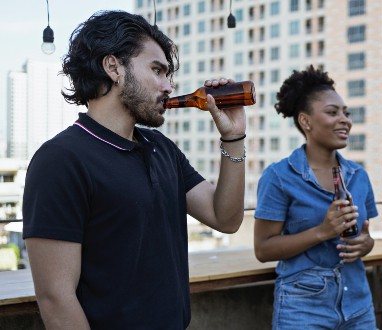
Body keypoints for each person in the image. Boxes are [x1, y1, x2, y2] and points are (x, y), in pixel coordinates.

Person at [22, 11, 247, 329]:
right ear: (113, 67)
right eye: (157, 70)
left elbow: (225, 218)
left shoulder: (162, 148)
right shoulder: (60, 160)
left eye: (168, 75)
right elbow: (57, 300)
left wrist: (233, 136)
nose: (169, 86)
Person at [253, 66, 377, 329]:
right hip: (302, 307)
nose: (344, 119)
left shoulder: (359, 176)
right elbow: (263, 249)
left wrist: (367, 245)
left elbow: (366, 236)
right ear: (305, 121)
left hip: (358, 304)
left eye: (346, 113)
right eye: (332, 112)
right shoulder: (279, 176)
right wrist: (323, 231)